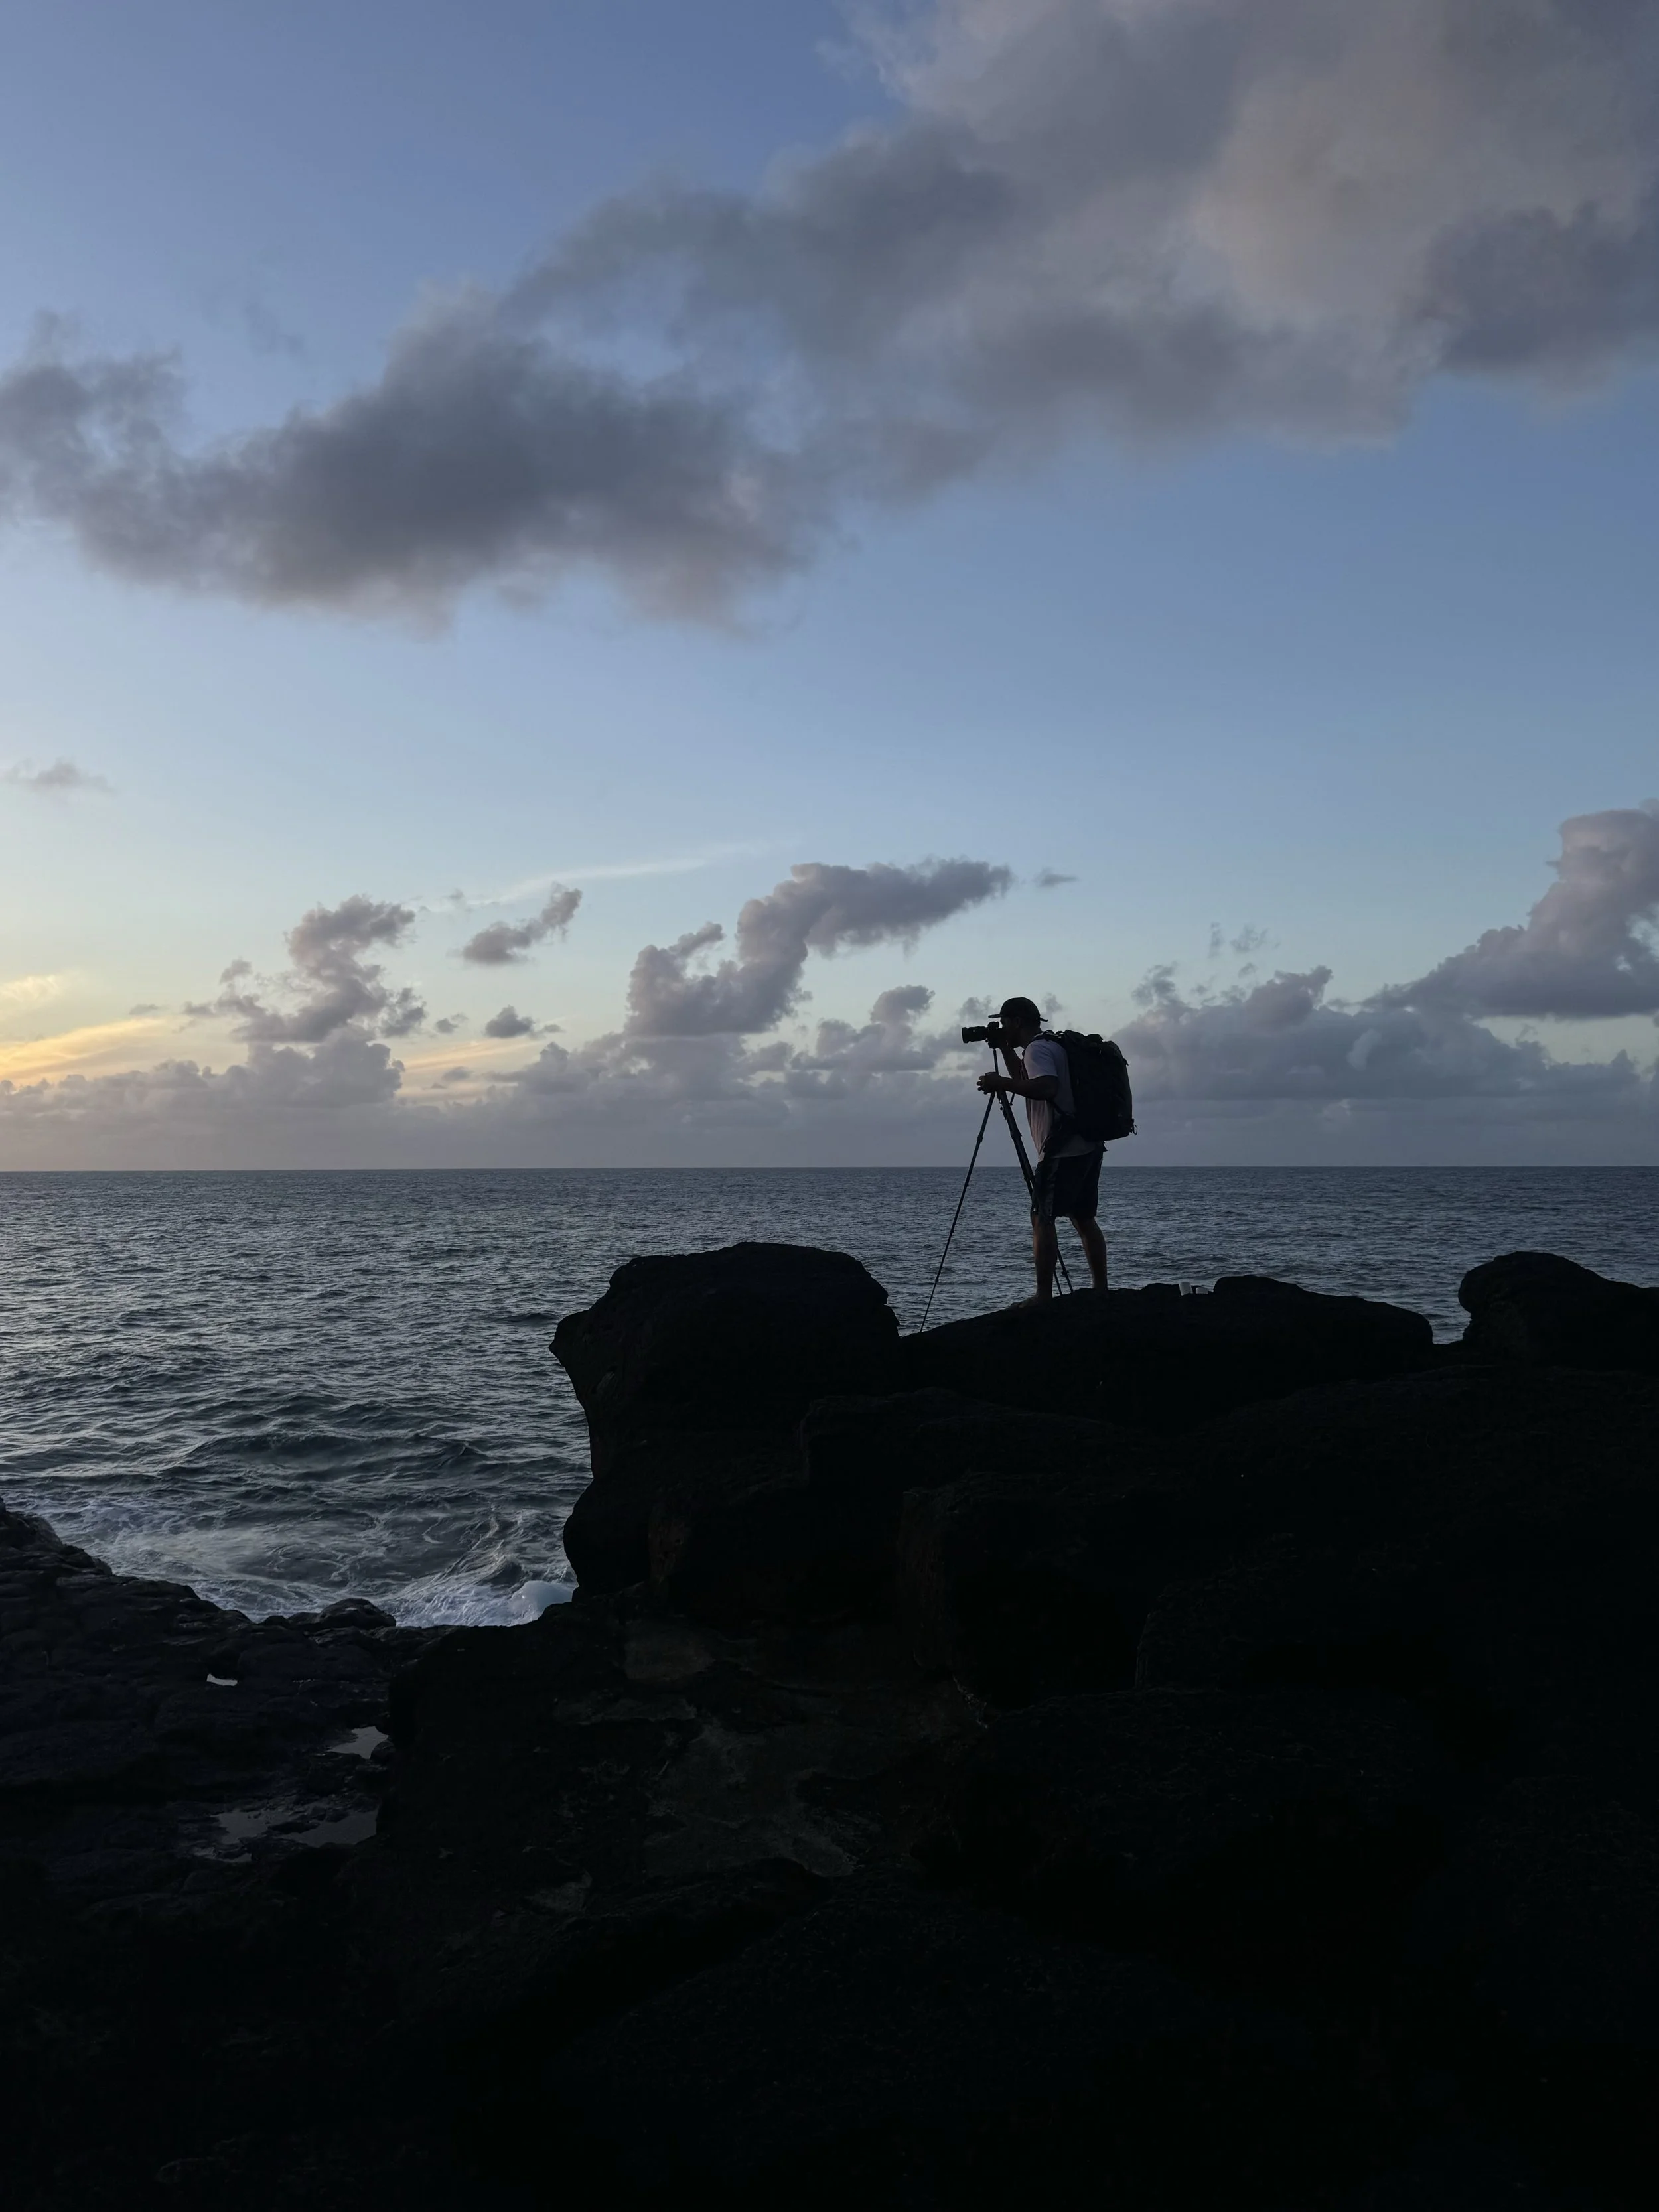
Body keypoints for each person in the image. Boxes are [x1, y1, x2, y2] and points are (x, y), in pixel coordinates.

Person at [975, 996, 1108, 1299]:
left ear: (1017, 1022)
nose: (1002, 1027)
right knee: (1083, 1218)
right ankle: (1101, 1290)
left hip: (1061, 1148)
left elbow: (1046, 1087)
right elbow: (1024, 1078)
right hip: (1087, 1144)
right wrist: (1005, 1049)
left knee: (1042, 1218)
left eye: (1004, 1023)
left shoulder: (1037, 1049)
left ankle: (1043, 1297)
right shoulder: (1052, 1045)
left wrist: (999, 1083)